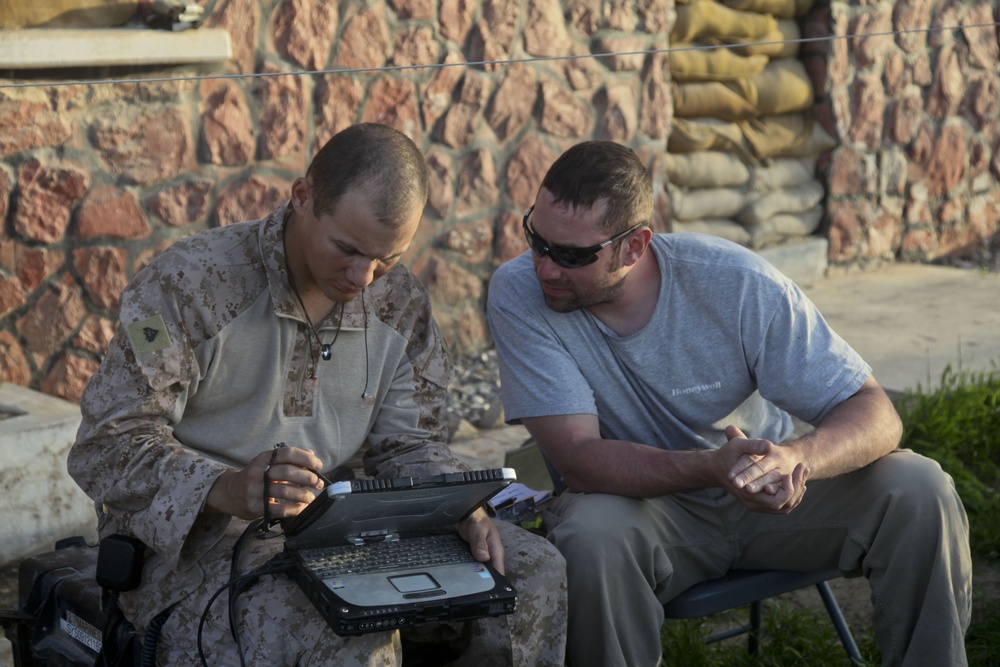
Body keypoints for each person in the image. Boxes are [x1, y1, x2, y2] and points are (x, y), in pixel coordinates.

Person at [68, 123, 566, 666]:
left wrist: (455, 503)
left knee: (530, 570)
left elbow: (407, 444)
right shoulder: (190, 286)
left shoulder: (398, 303)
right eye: (347, 248)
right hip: (200, 546)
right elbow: (106, 446)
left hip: (352, 526)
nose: (364, 276)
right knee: (346, 621)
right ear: (301, 197)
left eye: (388, 258)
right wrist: (227, 487)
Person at [486, 140, 972, 667]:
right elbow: (578, 458)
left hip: (772, 490)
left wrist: (795, 459)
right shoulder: (519, 292)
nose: (545, 268)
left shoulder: (733, 280)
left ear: (635, 246)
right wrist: (712, 468)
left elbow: (873, 410)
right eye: (536, 239)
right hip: (646, 509)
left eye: (573, 255)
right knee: (589, 536)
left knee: (922, 489)